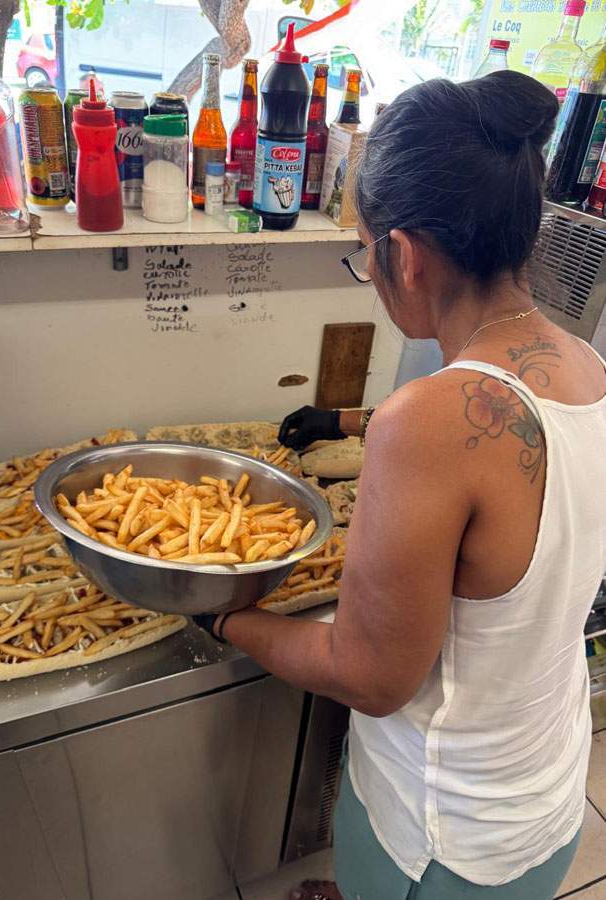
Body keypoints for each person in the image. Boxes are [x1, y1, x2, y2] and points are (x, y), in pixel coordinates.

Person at [195, 70, 606, 899]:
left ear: (404, 256)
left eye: (363, 253)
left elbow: (371, 676)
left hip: (439, 840)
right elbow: (495, 452)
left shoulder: (427, 420)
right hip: (542, 804)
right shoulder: (586, 365)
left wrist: (225, 619)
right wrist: (342, 422)